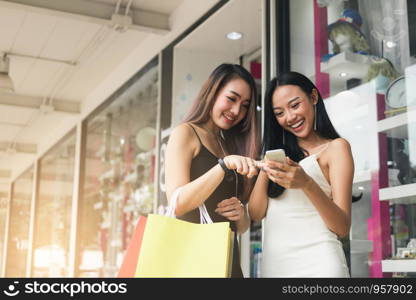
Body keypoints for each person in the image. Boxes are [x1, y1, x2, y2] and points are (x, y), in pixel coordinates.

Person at [248, 71, 354, 277]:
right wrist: (267, 165)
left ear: (313, 97)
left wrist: (306, 183)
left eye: (295, 105)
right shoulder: (278, 157)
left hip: (321, 265)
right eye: (279, 113)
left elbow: (342, 227)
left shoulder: (336, 148)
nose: (290, 117)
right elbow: (255, 213)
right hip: (276, 267)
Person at [165, 63, 260, 277]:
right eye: (231, 98)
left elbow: (241, 227)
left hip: (227, 261)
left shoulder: (228, 144)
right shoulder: (186, 133)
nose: (237, 111)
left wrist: (241, 215)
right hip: (192, 262)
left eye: (245, 105)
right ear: (213, 92)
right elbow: (176, 203)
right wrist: (223, 166)